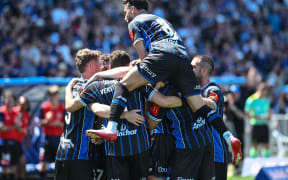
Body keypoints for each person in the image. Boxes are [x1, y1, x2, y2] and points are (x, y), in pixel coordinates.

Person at [86, 2, 241, 163]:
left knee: (124, 84)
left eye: (125, 11)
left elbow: (144, 57)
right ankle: (229, 136)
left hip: (161, 57)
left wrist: (138, 67)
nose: (125, 17)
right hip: (182, 58)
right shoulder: (162, 21)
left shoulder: (134, 22)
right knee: (199, 105)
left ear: (132, 9)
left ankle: (112, 128)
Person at [67, 50, 182, 180]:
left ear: (110, 67)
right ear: (128, 66)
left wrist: (68, 88)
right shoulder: (138, 82)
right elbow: (163, 101)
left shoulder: (96, 85)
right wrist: (187, 100)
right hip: (139, 146)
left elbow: (84, 109)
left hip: (114, 150)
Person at [54, 48, 107, 180]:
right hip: (78, 156)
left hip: (61, 152)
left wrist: (67, 88)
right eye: (98, 63)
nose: (101, 66)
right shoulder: (91, 88)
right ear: (91, 65)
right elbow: (72, 107)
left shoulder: (73, 86)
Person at [191, 55, 233, 180]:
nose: (189, 69)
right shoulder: (193, 90)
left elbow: (211, 104)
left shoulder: (213, 89)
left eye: (193, 67)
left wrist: (190, 98)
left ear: (203, 70)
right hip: (197, 149)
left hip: (216, 151)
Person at [38, 85, 65, 180]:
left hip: (58, 139)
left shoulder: (62, 108)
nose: (53, 96)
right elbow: (39, 124)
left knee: (60, 164)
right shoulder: (44, 107)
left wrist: (59, 124)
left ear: (58, 95)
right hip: (47, 139)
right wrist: (46, 120)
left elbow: (67, 126)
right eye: (51, 94)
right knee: (43, 164)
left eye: (55, 94)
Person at [245, 82, 271, 158]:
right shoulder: (251, 99)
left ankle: (266, 163)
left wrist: (269, 116)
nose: (264, 93)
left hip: (264, 125)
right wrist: (257, 117)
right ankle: (253, 164)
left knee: (266, 145)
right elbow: (247, 113)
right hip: (255, 125)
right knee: (255, 145)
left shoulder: (266, 100)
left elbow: (269, 111)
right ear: (259, 90)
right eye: (263, 91)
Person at [0, 90, 20, 180]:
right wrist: (14, 126)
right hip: (5, 143)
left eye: (10, 99)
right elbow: (1, 128)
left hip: (15, 143)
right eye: (6, 99)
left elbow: (19, 128)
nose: (8, 101)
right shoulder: (2, 112)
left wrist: (18, 125)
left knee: (14, 167)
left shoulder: (16, 113)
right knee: (5, 166)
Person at [12, 96, 31, 180]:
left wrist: (27, 139)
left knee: (22, 162)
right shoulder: (14, 112)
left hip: (19, 142)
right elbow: (18, 128)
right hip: (11, 142)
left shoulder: (27, 115)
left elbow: (26, 129)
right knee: (15, 164)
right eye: (21, 104)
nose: (23, 106)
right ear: (17, 104)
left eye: (25, 104)